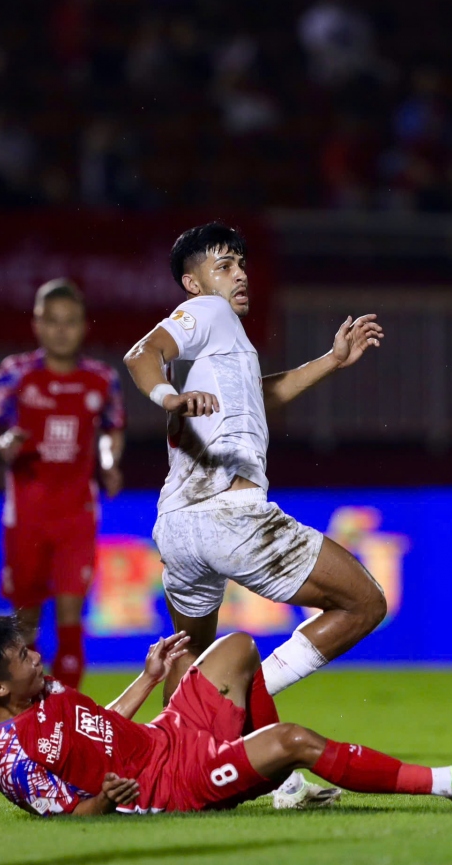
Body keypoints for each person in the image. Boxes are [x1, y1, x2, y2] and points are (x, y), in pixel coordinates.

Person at [123, 222, 387, 703]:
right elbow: (142, 354)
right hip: (231, 516)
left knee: (189, 658)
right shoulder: (208, 311)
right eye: (224, 266)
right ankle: (243, 699)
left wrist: (331, 359)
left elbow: (260, 396)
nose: (240, 274)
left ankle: (172, 764)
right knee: (364, 603)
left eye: (241, 264)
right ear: (193, 283)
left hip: (179, 528)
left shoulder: (222, 344)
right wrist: (168, 397)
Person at [0, 616, 452, 815]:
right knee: (292, 740)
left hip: (165, 736)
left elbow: (98, 721)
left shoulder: (42, 694)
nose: (35, 657)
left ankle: (272, 780)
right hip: (169, 786)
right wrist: (105, 801)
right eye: (22, 656)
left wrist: (149, 677)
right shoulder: (10, 759)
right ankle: (447, 784)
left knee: (237, 647)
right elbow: (66, 817)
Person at [0, 279, 126, 690]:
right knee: (27, 622)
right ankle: (30, 715)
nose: (61, 330)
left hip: (77, 513)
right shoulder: (16, 375)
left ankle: (68, 713)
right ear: (37, 324)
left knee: (71, 615)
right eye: (51, 321)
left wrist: (108, 462)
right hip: (28, 514)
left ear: (83, 326)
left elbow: (111, 429)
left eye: (69, 322)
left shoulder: (102, 380)